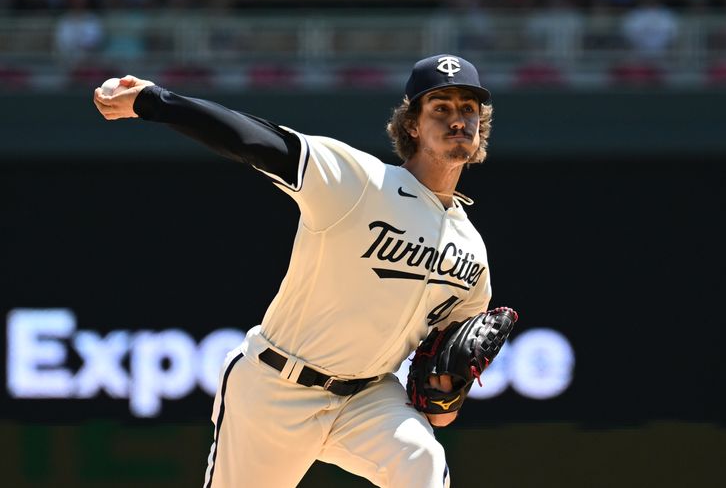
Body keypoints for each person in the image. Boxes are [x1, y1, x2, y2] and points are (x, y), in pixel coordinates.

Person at [92, 54, 495, 488]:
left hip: (368, 398)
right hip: (276, 387)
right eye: (441, 107)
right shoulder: (361, 182)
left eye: (468, 109)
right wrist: (155, 101)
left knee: (422, 461)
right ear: (412, 124)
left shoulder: (472, 255)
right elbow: (257, 141)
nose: (458, 120)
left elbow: (442, 405)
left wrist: (446, 393)